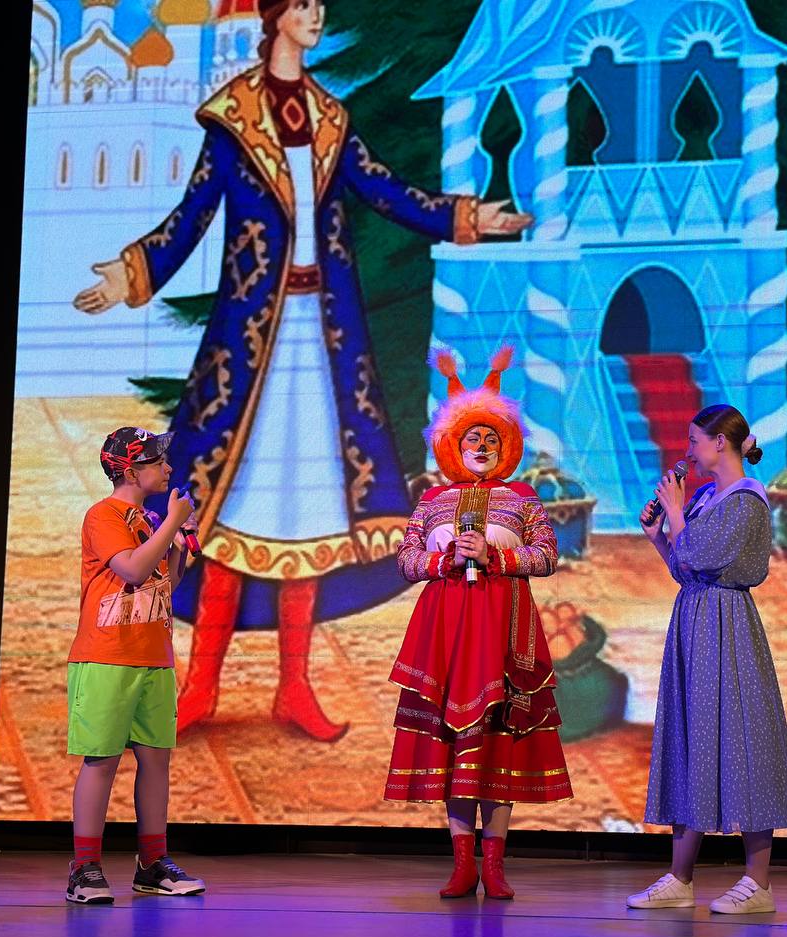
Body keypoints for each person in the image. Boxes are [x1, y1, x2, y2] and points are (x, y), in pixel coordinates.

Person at [73, 0, 533, 741]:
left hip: (322, 343)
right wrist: (131, 273)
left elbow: (385, 191)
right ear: (278, 17)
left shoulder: (330, 117)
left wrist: (467, 218)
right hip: (251, 349)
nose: (317, 16)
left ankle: (294, 688)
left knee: (309, 511)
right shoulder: (233, 118)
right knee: (232, 508)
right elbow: (192, 216)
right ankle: (201, 688)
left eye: (320, 6)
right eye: (306, 6)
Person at [384, 347, 572, 900]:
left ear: (505, 444)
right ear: (454, 445)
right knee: (454, 744)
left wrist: (497, 557)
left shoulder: (522, 498)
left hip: (503, 630)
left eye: (492, 437)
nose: (483, 446)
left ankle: (494, 864)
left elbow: (547, 555)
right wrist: (443, 561)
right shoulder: (433, 500)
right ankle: (462, 863)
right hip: (447, 630)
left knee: (497, 744)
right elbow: (406, 559)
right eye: (473, 438)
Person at [626, 405, 787, 915]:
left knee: (742, 739)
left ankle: (758, 883)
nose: (689, 450)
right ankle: (680, 877)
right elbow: (686, 568)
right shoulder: (707, 496)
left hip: (727, 626)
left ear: (720, 443)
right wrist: (659, 538)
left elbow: (703, 555)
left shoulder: (746, 500)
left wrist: (676, 513)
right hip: (694, 619)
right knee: (692, 738)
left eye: (694, 440)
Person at [66, 428, 205, 904]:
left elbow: (160, 584)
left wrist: (177, 546)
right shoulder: (103, 515)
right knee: (102, 760)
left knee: (156, 761)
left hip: (153, 657)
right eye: (158, 462)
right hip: (107, 656)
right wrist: (173, 523)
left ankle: (152, 864)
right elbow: (130, 569)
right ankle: (84, 868)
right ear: (129, 471)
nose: (168, 469)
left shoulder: (149, 519)